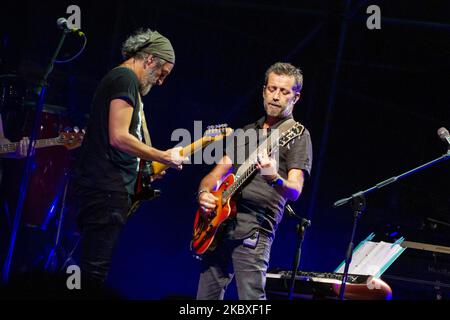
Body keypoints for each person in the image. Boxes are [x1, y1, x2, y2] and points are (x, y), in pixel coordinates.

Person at [73, 28, 186, 290]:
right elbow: (119, 137)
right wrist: (162, 156)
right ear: (149, 60)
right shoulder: (124, 79)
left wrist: (143, 169)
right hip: (106, 189)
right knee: (94, 272)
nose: (161, 82)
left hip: (106, 186)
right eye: (162, 73)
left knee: (92, 266)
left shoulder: (125, 82)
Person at [196, 62, 313, 300]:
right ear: (263, 91)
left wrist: (275, 179)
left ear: (296, 97)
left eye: (284, 91)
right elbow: (213, 176)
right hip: (219, 227)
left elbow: (295, 191)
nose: (276, 96)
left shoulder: (298, 134)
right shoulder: (246, 132)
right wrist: (204, 194)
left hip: (254, 231)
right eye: (272, 89)